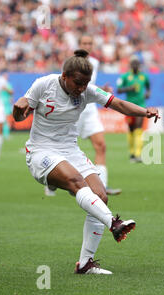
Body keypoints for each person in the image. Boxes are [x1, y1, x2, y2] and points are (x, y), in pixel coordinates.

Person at [13, 49, 160, 274]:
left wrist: (145, 112)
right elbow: (20, 115)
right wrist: (17, 110)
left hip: (70, 150)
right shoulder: (44, 84)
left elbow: (118, 104)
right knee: (76, 181)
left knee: (100, 195)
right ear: (65, 76)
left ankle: (85, 264)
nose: (81, 89)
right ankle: (114, 223)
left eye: (86, 84)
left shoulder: (86, 91)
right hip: (41, 151)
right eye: (78, 83)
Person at [45, 35, 121, 196]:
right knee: (62, 148)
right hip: (72, 109)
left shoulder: (94, 63)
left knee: (101, 145)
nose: (87, 45)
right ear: (79, 45)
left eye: (89, 43)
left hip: (90, 110)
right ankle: (52, 180)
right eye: (84, 43)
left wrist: (103, 90)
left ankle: (103, 185)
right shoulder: (70, 64)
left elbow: (89, 87)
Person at [116, 56, 151, 163]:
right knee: (131, 129)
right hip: (129, 107)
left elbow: (148, 87)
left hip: (141, 105)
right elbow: (119, 90)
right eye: (133, 64)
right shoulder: (126, 76)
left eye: (137, 64)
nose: (135, 65)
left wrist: (148, 93)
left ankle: (138, 154)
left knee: (138, 128)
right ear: (130, 65)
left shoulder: (144, 76)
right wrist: (129, 89)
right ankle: (132, 153)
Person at [0, 73, 14, 139]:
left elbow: (11, 93)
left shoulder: (8, 85)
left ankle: (6, 135)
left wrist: (6, 89)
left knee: (6, 120)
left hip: (6, 104)